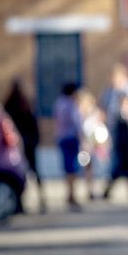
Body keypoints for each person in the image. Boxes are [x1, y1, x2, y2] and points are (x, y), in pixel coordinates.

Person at [3, 80, 42, 197]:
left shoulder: (11, 104)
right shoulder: (23, 104)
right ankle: (41, 199)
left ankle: (22, 200)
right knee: (33, 171)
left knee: (21, 172)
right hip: (25, 143)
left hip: (18, 143)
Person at [53, 83, 84, 211]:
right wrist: (82, 137)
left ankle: (69, 194)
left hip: (61, 137)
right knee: (72, 168)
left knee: (67, 167)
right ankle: (72, 195)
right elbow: (77, 122)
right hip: (71, 138)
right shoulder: (71, 105)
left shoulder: (58, 104)